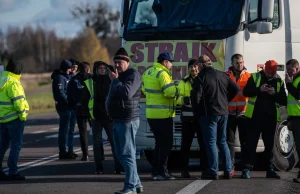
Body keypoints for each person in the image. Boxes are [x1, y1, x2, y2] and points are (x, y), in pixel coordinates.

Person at [191, 55, 240, 180]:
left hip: (209, 114)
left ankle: (213, 170)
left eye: (198, 65)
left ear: (201, 65)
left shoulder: (200, 77)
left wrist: (196, 113)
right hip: (224, 112)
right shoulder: (222, 75)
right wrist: (225, 101)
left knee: (211, 142)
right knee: (222, 141)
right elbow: (236, 88)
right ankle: (228, 170)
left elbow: (196, 98)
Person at [241, 60, 287, 179]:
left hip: (270, 118)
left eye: (273, 73)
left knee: (269, 145)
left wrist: (274, 94)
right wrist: (259, 90)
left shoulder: (279, 81)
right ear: (264, 69)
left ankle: (270, 169)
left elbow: (283, 100)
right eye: (269, 72)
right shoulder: (255, 77)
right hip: (254, 117)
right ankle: (247, 168)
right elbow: (245, 92)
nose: (270, 75)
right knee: (251, 143)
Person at [106, 48, 143, 194]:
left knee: (127, 154)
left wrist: (115, 81)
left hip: (127, 120)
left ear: (127, 62)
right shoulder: (119, 76)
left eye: (119, 62)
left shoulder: (132, 75)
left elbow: (127, 93)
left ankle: (130, 187)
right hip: (117, 119)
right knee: (122, 154)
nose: (116, 65)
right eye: (115, 62)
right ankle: (137, 184)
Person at [142, 52, 178, 181]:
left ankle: (156, 171)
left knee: (159, 143)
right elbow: (169, 92)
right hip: (163, 114)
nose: (171, 64)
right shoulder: (162, 73)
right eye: (170, 62)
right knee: (166, 144)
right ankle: (162, 171)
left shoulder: (148, 72)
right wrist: (177, 90)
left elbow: (144, 90)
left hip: (151, 114)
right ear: (164, 62)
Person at [83, 61, 123, 174]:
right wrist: (89, 115)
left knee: (114, 142)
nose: (102, 70)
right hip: (96, 118)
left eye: (104, 68)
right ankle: (99, 168)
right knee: (97, 143)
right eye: (100, 68)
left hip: (109, 117)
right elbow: (84, 100)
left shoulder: (110, 81)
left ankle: (118, 168)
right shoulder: (90, 82)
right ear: (96, 69)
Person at [177, 59, 207, 178]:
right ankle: (184, 170)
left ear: (198, 68)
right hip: (187, 119)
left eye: (195, 67)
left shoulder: (203, 79)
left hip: (201, 118)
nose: (193, 69)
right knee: (185, 146)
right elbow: (176, 97)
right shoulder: (183, 82)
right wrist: (183, 100)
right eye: (191, 67)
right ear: (188, 68)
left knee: (204, 144)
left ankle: (205, 169)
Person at [0, 58, 29, 181]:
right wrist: (23, 116)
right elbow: (19, 103)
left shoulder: (2, 79)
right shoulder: (14, 83)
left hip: (2, 119)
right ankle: (13, 172)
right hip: (14, 119)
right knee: (16, 146)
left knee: (2, 145)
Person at [226, 54, 251, 175]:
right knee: (229, 142)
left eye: (241, 62)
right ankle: (230, 167)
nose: (239, 64)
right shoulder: (226, 76)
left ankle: (246, 168)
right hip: (229, 113)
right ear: (232, 63)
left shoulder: (248, 76)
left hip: (244, 114)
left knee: (245, 142)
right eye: (237, 62)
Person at [51, 60, 77, 159]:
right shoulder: (59, 78)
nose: (71, 70)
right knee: (64, 130)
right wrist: (69, 101)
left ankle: (70, 150)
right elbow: (60, 93)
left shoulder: (67, 77)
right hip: (64, 107)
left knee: (70, 130)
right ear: (66, 69)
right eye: (70, 68)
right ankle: (63, 151)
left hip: (71, 107)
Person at [67, 62, 92, 161]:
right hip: (92, 108)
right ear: (88, 69)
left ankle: (85, 154)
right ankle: (100, 153)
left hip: (79, 108)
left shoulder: (74, 79)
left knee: (83, 132)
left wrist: (72, 105)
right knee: (97, 131)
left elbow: (69, 94)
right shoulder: (92, 78)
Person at [285, 59, 300, 183]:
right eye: (287, 69)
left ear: (297, 68)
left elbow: (298, 95)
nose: (289, 72)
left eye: (291, 69)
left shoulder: (297, 80)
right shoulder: (294, 79)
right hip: (295, 118)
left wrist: (288, 85)